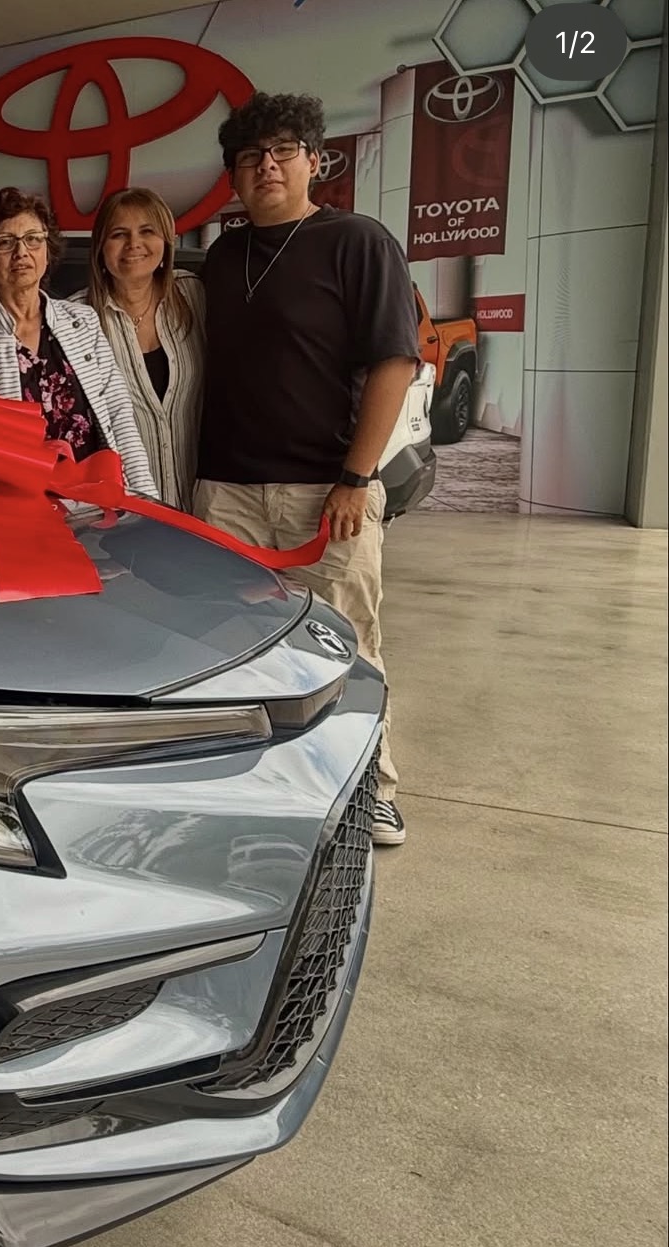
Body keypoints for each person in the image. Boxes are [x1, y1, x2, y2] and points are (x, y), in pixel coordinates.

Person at [192, 91, 420, 847]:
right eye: (251, 157)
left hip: (327, 490)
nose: (267, 166)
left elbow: (395, 363)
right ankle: (275, 785)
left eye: (283, 151)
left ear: (314, 161)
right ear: (232, 175)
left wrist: (356, 478)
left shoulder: (357, 241)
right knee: (243, 655)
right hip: (226, 490)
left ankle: (373, 789)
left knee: (350, 646)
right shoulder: (224, 257)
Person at [0, 187, 159, 498]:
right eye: (5, 243)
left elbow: (118, 413)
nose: (22, 252)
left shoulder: (83, 320)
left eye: (33, 239)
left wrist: (145, 499)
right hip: (23, 501)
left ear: (47, 249)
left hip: (97, 494)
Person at [68, 188, 207, 510]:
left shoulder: (194, 295)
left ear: (166, 241)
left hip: (208, 505)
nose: (134, 244)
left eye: (147, 231)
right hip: (127, 514)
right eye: (119, 234)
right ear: (101, 246)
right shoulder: (77, 320)